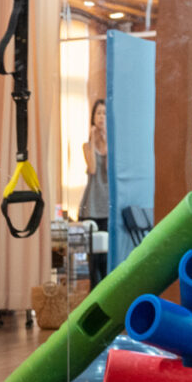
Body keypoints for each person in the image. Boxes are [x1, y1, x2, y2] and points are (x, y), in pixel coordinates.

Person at [79, 98, 109, 282]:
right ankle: (93, 292)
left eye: (105, 113)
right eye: (98, 113)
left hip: (107, 206)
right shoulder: (86, 146)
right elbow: (92, 169)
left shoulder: (113, 144)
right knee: (93, 260)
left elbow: (109, 169)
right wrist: (92, 140)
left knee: (105, 257)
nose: (101, 117)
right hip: (91, 206)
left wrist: (107, 139)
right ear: (93, 117)